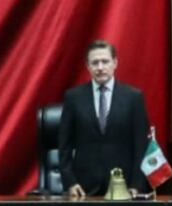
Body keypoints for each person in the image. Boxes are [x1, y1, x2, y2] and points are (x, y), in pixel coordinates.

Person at [58, 40, 150, 197]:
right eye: (95, 63)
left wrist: (137, 184)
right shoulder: (73, 97)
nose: (100, 68)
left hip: (123, 187)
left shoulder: (133, 97)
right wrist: (70, 182)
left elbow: (141, 146)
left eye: (105, 62)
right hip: (84, 189)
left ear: (115, 63)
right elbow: (64, 145)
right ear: (87, 66)